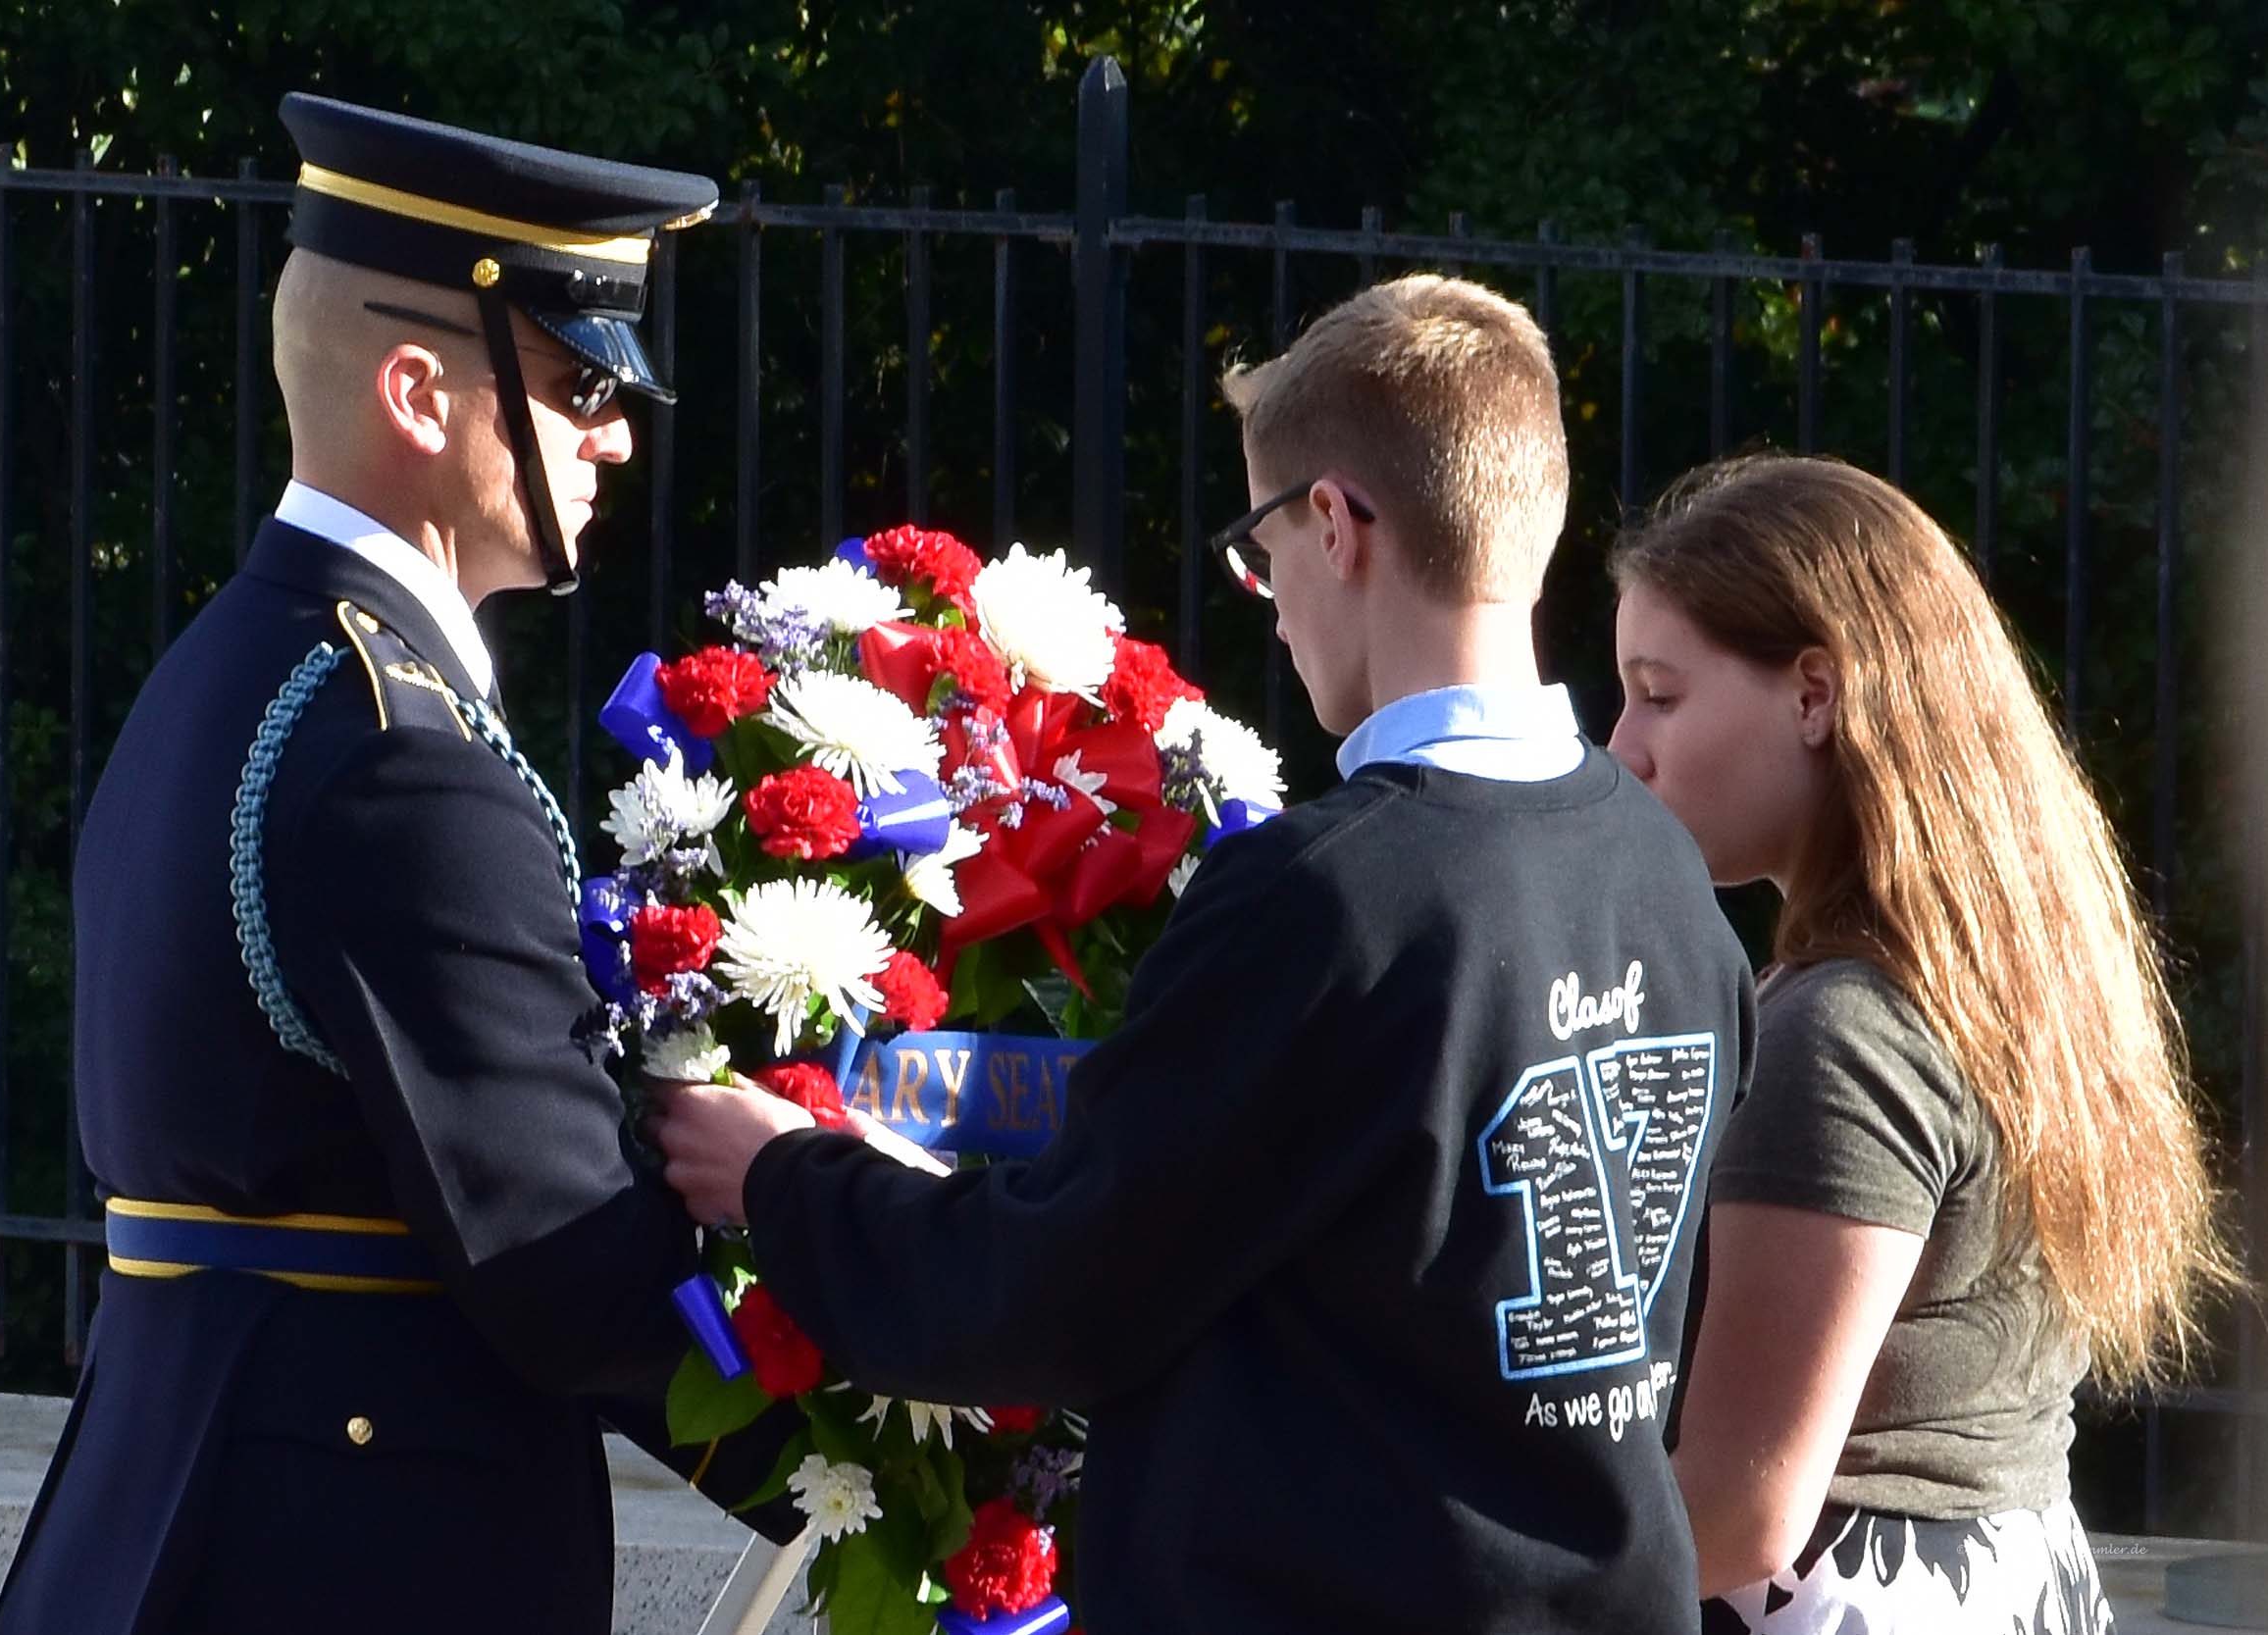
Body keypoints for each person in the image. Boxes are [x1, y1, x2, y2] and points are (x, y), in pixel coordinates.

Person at [653, 273, 1758, 1635]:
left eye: (1262, 545)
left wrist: (782, 1177)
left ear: (1336, 524)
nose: (1270, 599)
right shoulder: (1665, 871)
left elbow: (1061, 1290)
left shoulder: (1323, 897)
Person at [0, 95, 797, 1635]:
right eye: (577, 382)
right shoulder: (397, 755)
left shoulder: (234, 664)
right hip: (346, 1559)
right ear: (422, 392)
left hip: (186, 1516)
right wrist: (932, 1429)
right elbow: (573, 1270)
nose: (616, 429)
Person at [1607, 453, 2236, 1633]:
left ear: (1813, 693)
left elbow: (1738, 1513)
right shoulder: (1991, 976)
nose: (1622, 743)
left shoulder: (1846, 1031)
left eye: (1660, 692)